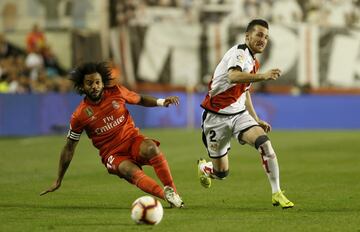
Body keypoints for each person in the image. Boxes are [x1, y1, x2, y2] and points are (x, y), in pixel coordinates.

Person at [40, 62, 184, 208]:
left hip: (132, 140)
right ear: (82, 86)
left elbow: (140, 99)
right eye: (89, 83)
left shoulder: (117, 92)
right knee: (128, 170)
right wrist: (59, 178)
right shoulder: (79, 115)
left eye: (97, 82)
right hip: (113, 154)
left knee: (151, 148)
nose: (94, 86)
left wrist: (161, 102)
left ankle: (173, 191)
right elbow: (69, 147)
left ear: (103, 83)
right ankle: (166, 196)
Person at [198, 19, 294, 209]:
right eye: (259, 34)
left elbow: (244, 91)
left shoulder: (253, 61)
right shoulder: (239, 53)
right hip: (216, 117)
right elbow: (233, 76)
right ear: (247, 36)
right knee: (221, 173)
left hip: (239, 114)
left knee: (265, 144)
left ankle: (277, 193)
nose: (262, 40)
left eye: (266, 37)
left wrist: (256, 119)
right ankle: (206, 168)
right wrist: (263, 76)